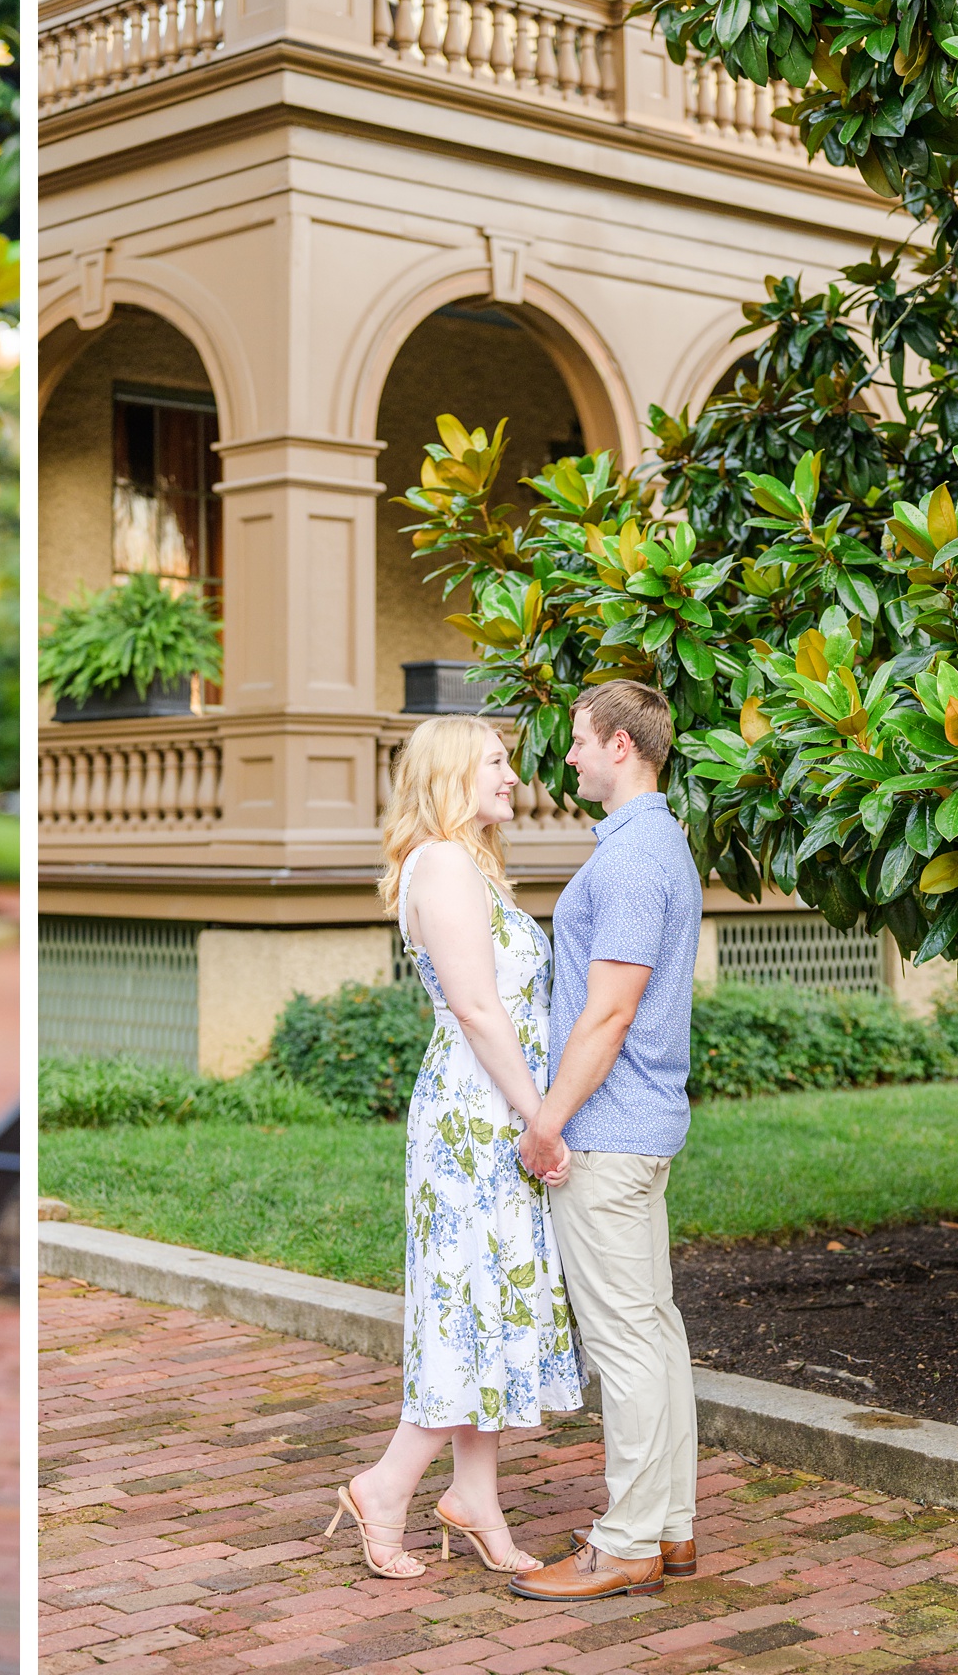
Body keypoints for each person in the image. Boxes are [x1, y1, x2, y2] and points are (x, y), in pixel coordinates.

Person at [326, 714, 580, 1581]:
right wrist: (537, 1114)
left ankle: (477, 1500)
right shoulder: (439, 863)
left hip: (493, 1110)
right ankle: (386, 1485)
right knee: (468, 1303)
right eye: (497, 762)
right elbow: (477, 1009)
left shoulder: (472, 864)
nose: (513, 775)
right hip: (476, 1118)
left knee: (492, 1299)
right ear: (449, 776)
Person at [511, 679, 704, 1603]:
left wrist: (547, 1118)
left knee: (625, 1344)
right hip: (644, 1124)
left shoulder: (631, 860)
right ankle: (668, 1528)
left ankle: (625, 1539)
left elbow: (610, 1011)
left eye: (582, 743)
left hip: (610, 1130)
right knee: (654, 1332)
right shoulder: (657, 843)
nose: (572, 758)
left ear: (622, 746)